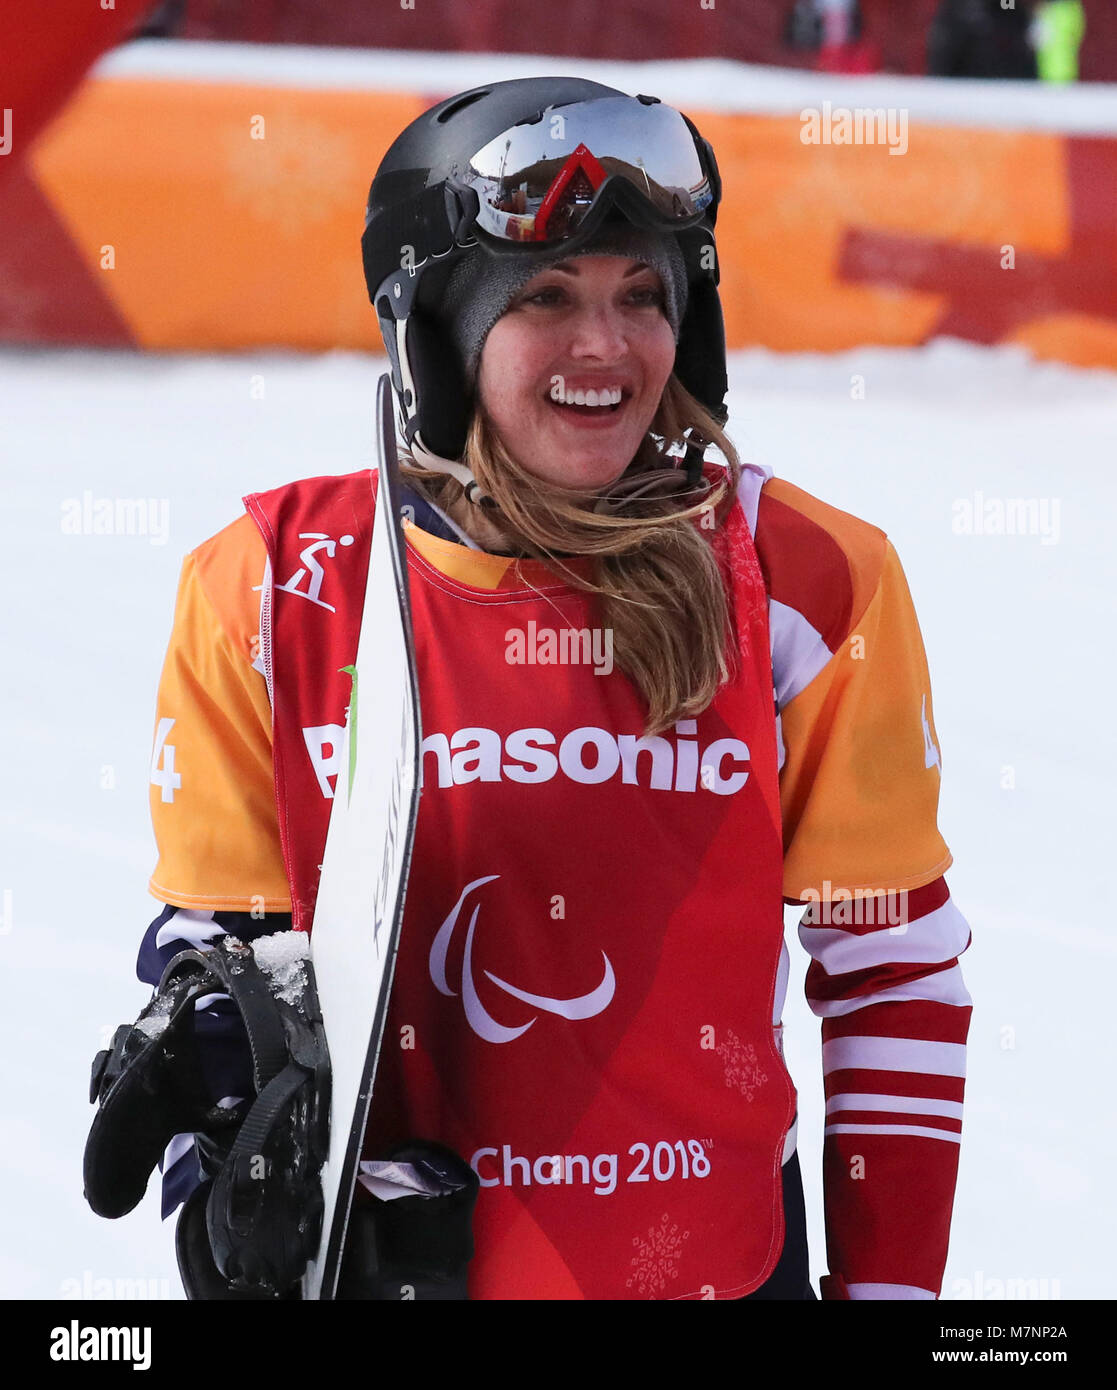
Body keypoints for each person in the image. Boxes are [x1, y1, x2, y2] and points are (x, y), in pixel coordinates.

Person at [133, 76, 973, 1300]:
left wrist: (891, 1297)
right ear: (435, 333)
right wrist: (215, 1156)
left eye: (644, 294)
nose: (608, 345)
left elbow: (892, 969)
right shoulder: (273, 590)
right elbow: (221, 958)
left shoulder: (804, 580)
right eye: (544, 297)